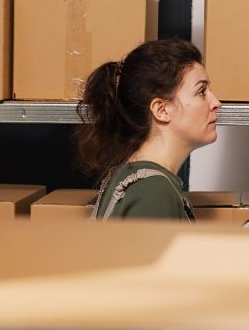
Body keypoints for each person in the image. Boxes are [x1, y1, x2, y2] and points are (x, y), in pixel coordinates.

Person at [75, 38, 221, 221]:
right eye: (202, 91)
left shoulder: (137, 178)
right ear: (162, 110)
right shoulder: (153, 191)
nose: (216, 103)